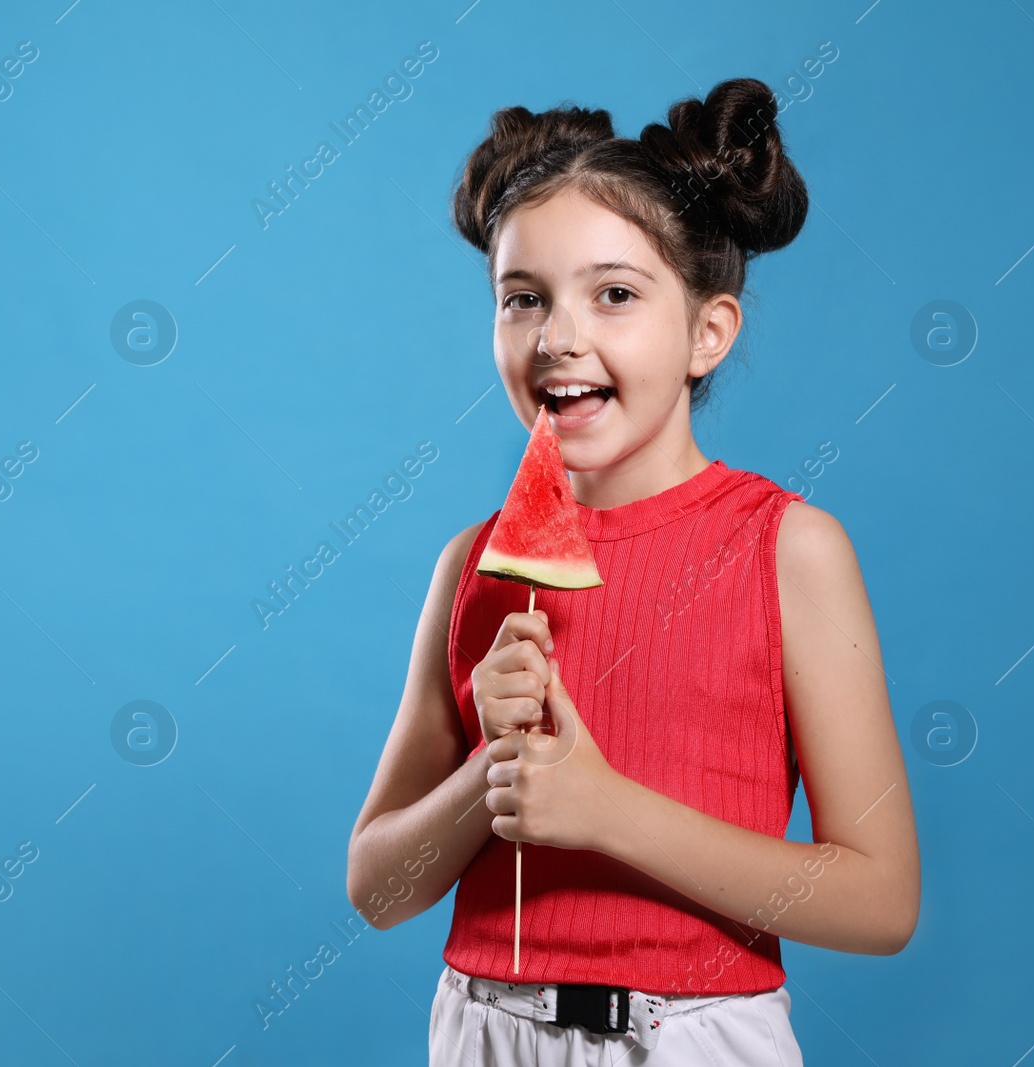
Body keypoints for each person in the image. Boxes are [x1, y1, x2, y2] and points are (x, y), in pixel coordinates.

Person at [345, 77, 920, 1066]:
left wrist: (610, 811)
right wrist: (489, 770)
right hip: (481, 1026)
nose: (558, 335)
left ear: (708, 332)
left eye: (613, 293)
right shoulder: (471, 565)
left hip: (694, 1036)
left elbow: (880, 900)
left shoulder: (787, 548)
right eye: (521, 298)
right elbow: (379, 888)